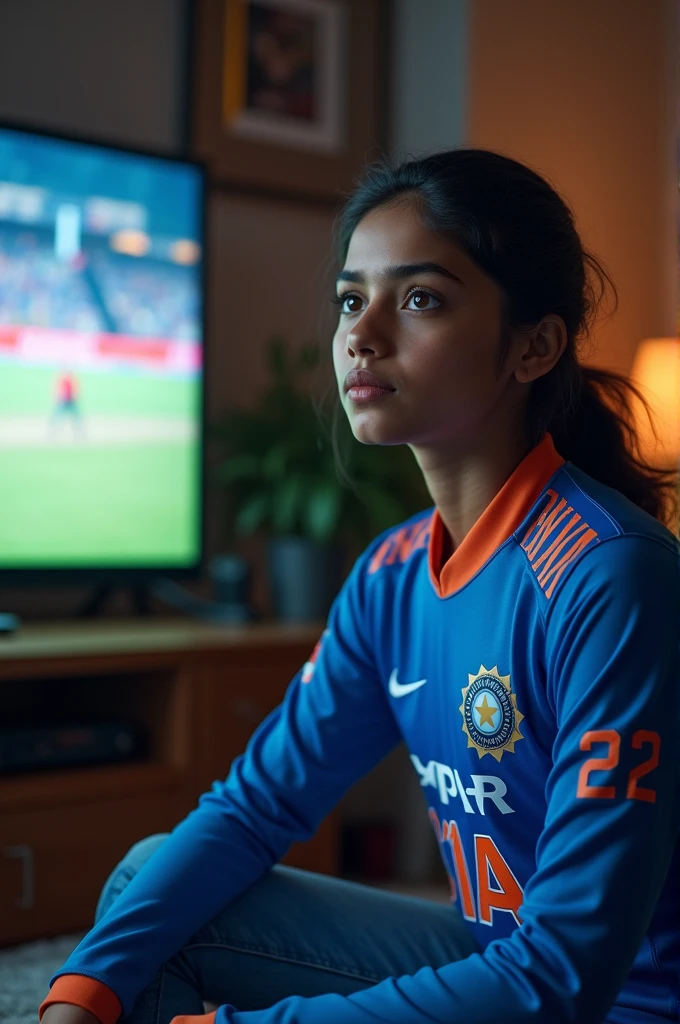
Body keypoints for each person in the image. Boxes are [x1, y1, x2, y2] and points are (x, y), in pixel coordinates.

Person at [39, 149, 680, 1024]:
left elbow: (563, 976)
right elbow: (256, 806)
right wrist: (77, 995)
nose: (361, 334)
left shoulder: (612, 574)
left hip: (610, 1005)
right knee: (150, 886)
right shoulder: (391, 572)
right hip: (498, 962)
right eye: (351, 299)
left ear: (534, 346)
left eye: (419, 298)